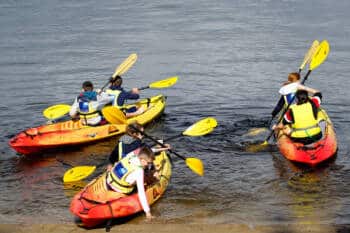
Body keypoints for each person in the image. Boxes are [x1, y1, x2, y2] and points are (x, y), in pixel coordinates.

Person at [106, 146, 157, 219]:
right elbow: (141, 192)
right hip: (120, 190)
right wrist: (148, 212)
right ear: (142, 160)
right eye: (148, 163)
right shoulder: (139, 171)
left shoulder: (130, 156)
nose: (148, 165)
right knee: (146, 179)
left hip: (109, 181)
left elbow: (141, 150)